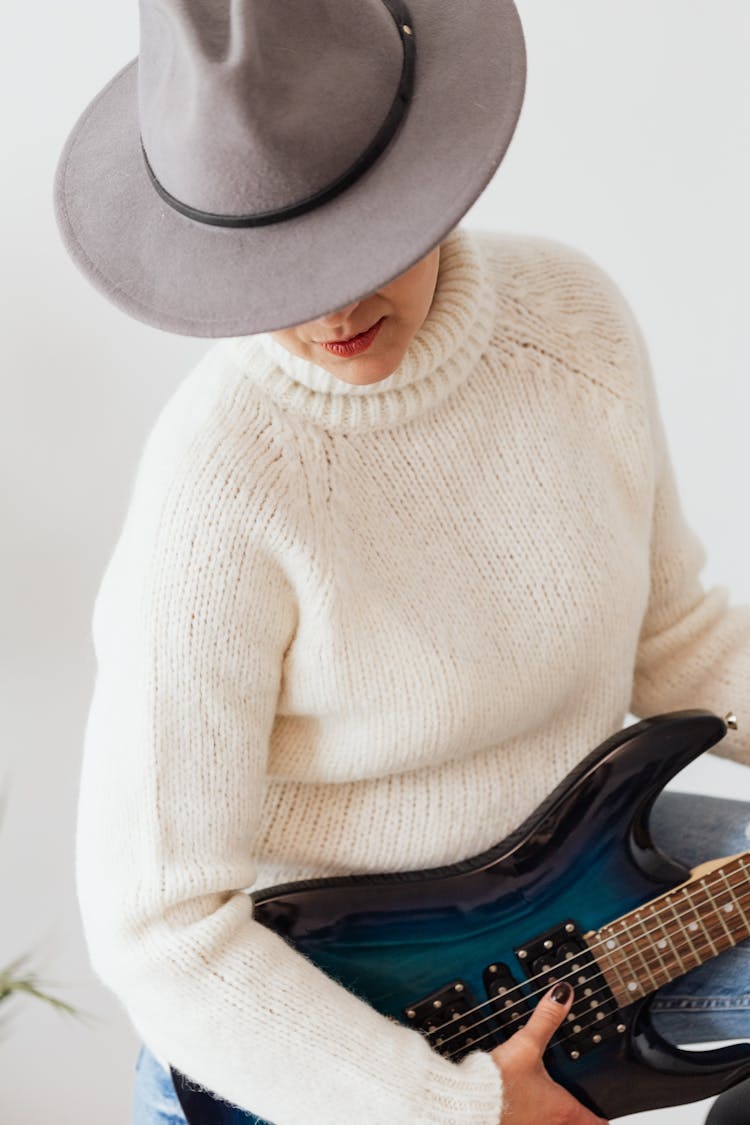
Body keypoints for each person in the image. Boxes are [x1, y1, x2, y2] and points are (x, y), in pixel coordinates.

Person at [52, 2, 750, 1124]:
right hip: (323, 1027)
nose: (330, 306)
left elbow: (675, 643)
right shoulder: (216, 492)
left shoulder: (574, 327)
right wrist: (452, 1109)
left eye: (361, 239)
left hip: (582, 887)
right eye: (275, 265)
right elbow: (162, 932)